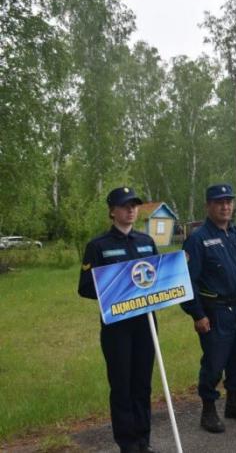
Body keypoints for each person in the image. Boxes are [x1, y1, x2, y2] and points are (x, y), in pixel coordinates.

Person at [78, 187, 159, 453]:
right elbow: (85, 287)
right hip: (117, 328)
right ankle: (127, 444)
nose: (131, 210)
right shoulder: (98, 246)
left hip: (146, 324)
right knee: (122, 386)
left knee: (142, 385)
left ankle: (143, 441)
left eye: (134, 205)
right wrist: (119, 285)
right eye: (125, 206)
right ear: (112, 211)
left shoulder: (146, 241)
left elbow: (157, 279)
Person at [181, 184, 236, 433]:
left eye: (229, 201)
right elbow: (187, 281)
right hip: (215, 313)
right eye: (219, 202)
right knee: (215, 363)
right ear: (208, 206)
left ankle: (234, 403)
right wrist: (197, 314)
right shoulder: (198, 239)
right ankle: (208, 410)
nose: (225, 206)